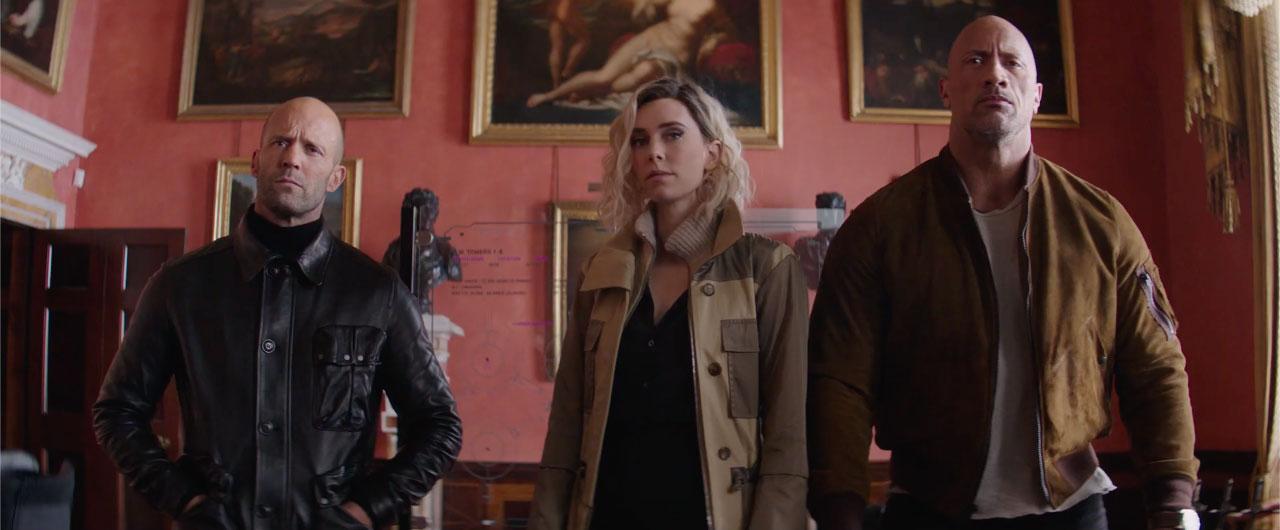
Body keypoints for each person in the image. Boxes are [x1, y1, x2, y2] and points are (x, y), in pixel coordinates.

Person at [807, 16, 1199, 530]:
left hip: (1071, 511)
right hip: (928, 509)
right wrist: (838, 509)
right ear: (946, 91)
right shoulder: (880, 227)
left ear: (1036, 96)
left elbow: (1156, 367)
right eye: (976, 61)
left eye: (1011, 62)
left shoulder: (1101, 224)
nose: (995, 74)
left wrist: (1173, 500)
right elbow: (840, 381)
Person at [93, 97, 463, 530]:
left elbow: (440, 427)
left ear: (336, 177)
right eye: (281, 142)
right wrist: (186, 502)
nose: (292, 158)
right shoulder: (181, 285)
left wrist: (363, 512)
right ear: (255, 160)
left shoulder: (378, 293)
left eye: (313, 149)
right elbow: (117, 411)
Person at [529, 77, 808, 530]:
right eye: (640, 140)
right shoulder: (602, 271)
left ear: (712, 153)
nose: (653, 152)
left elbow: (789, 429)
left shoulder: (767, 268)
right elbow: (567, 418)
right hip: (608, 514)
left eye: (672, 135)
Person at [525, 0, 724, 108]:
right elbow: (644, 5)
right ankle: (549, 96)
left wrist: (712, 42)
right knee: (603, 76)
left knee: (638, 74)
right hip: (651, 37)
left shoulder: (711, 5)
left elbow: (726, 31)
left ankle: (589, 92)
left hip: (672, 55)